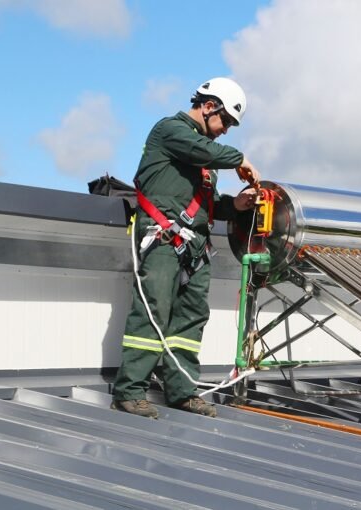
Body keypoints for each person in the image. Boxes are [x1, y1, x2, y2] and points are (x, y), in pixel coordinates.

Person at [111, 77, 260, 419]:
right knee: (154, 309)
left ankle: (181, 390)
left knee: (192, 317)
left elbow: (205, 204)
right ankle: (129, 392)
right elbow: (203, 151)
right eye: (226, 122)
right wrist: (240, 160)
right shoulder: (170, 131)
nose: (226, 131)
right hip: (162, 238)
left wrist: (234, 206)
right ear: (209, 107)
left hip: (195, 245)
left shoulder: (204, 162)